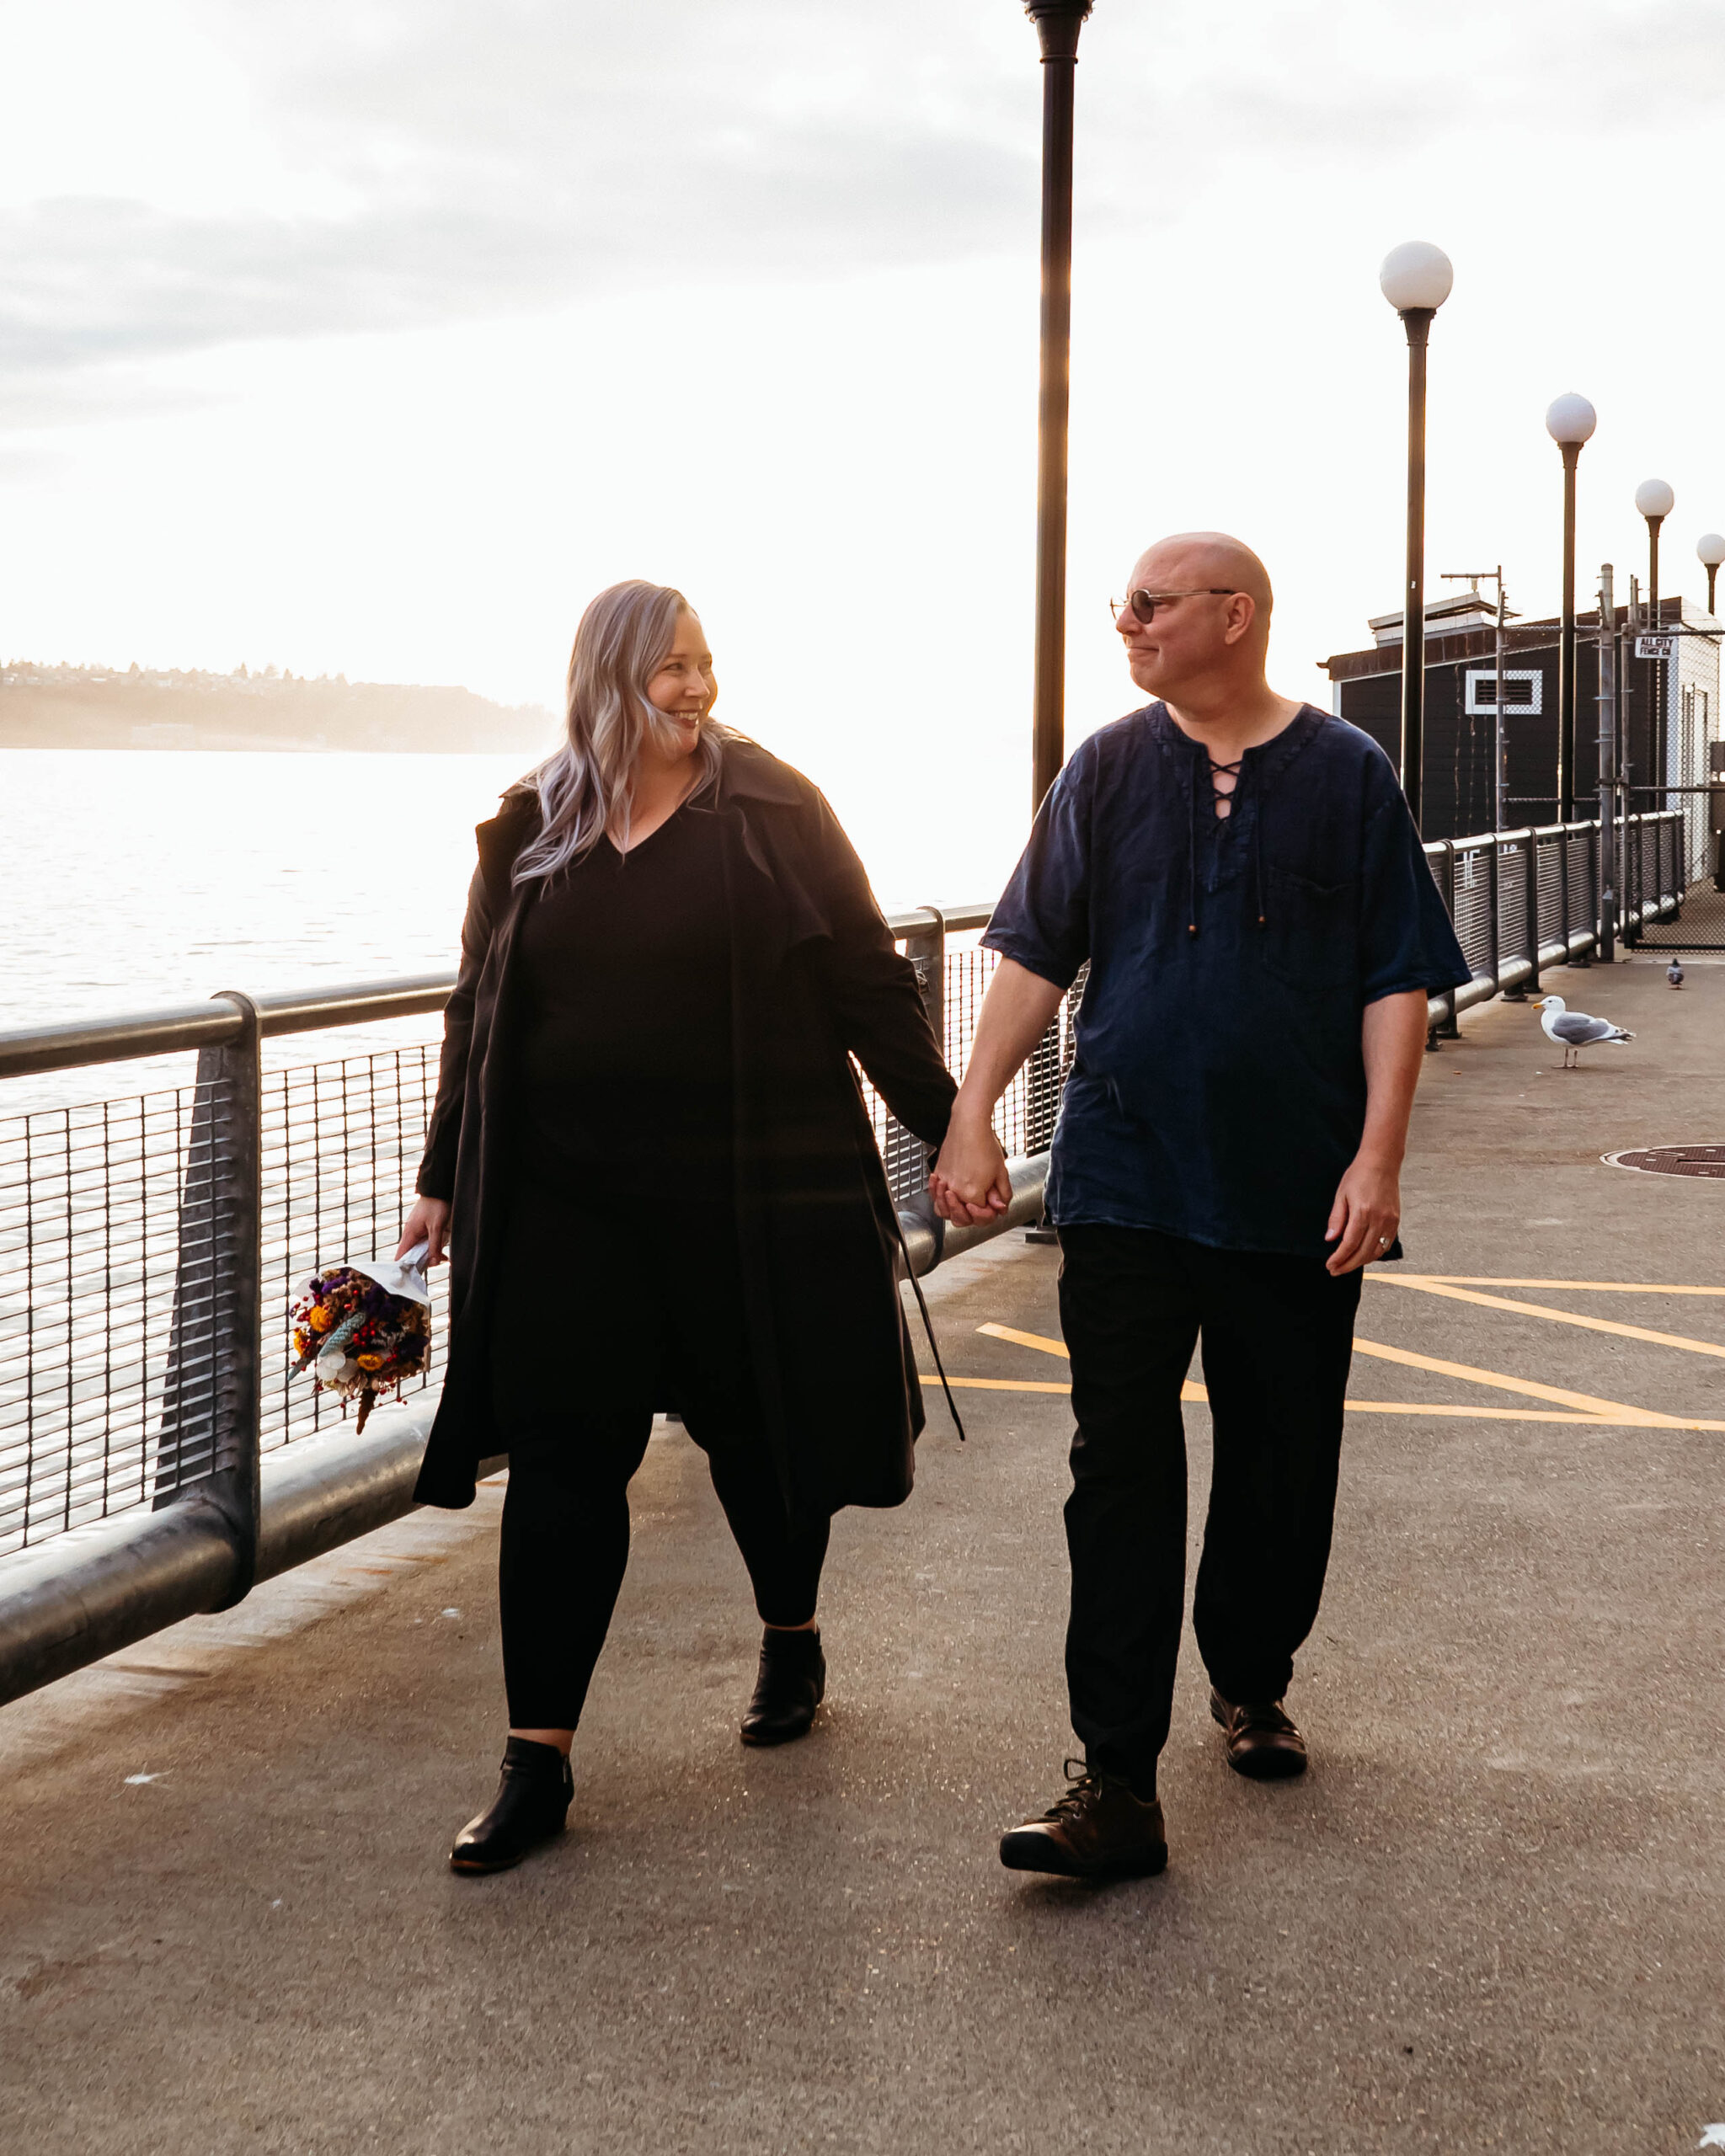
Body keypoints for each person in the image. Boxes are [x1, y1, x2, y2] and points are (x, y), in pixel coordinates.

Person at [931, 532, 1470, 1881]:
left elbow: (1396, 977)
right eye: (1122, 606)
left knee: (1280, 1453)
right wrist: (972, 1109)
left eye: (1150, 606)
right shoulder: (1107, 769)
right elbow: (1038, 950)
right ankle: (1114, 1775)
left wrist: (1379, 1159)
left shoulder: (1349, 776)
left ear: (1235, 617)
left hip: (1296, 1185)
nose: (1126, 623)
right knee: (1117, 1466)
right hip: (1123, 1176)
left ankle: (1250, 1676)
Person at [399, 579, 955, 1875]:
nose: (697, 689)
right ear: (608, 677)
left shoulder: (772, 812)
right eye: (671, 668)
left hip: (745, 1200)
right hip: (563, 1212)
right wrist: (441, 1173)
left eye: (706, 664)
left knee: (761, 1442)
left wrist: (952, 1128)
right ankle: (535, 1760)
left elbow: (867, 978)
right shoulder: (529, 825)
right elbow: (476, 1013)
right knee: (560, 1467)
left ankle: (790, 1631)